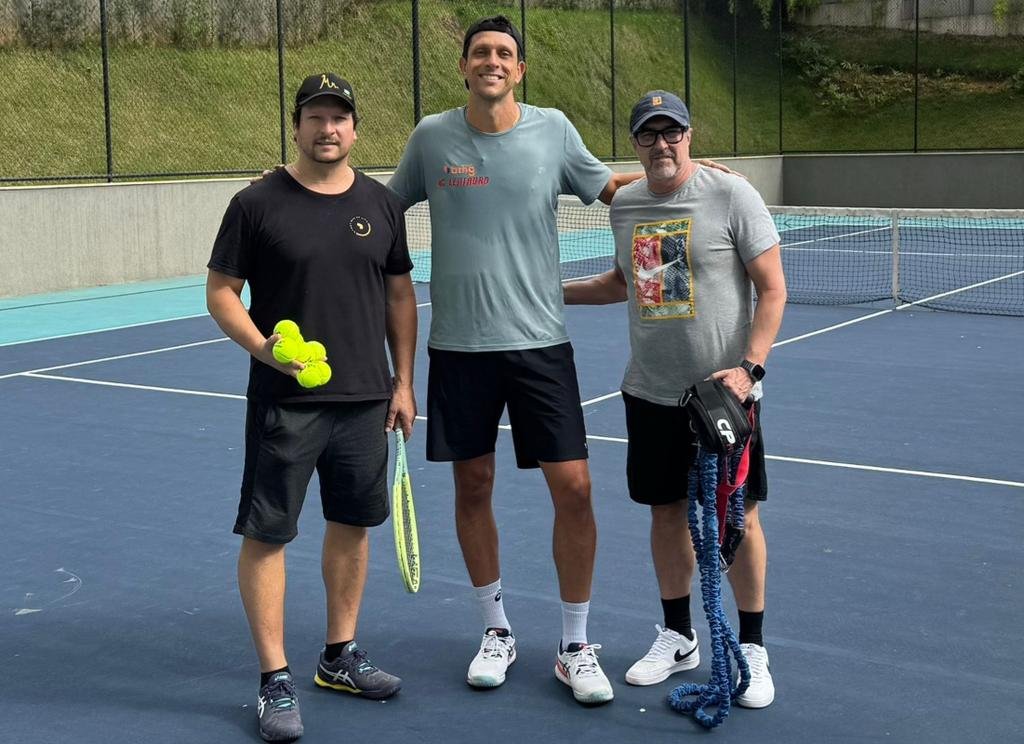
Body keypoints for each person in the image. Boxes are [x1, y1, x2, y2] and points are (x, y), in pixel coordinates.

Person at [385, 15, 642, 705]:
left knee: (576, 488)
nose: (492, 61)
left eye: (504, 54)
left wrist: (687, 176)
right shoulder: (432, 138)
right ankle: (496, 630)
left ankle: (575, 645)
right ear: (464, 67)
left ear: (519, 70)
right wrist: (294, 184)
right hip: (460, 349)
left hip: (540, 345)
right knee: (473, 486)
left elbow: (615, 189)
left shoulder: (553, 130)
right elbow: (376, 208)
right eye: (480, 53)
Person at [206, 72, 417, 741]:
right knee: (268, 534)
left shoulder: (382, 205)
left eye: (340, 118)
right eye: (316, 117)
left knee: (353, 525)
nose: (329, 129)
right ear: (296, 125)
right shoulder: (256, 203)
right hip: (286, 404)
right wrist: (264, 351)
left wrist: (404, 381)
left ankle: (339, 656)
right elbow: (220, 292)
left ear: (355, 129)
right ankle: (274, 679)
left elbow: (399, 298)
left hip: (365, 401)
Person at [563, 90, 787, 709]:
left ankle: (752, 647)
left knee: (739, 520)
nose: (662, 144)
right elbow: (622, 282)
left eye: (673, 132)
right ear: (635, 142)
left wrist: (749, 369)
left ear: (689, 135)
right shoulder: (628, 203)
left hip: (725, 397)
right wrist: (550, 293)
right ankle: (679, 635)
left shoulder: (732, 194)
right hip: (651, 393)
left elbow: (772, 289)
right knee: (666, 515)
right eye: (648, 135)